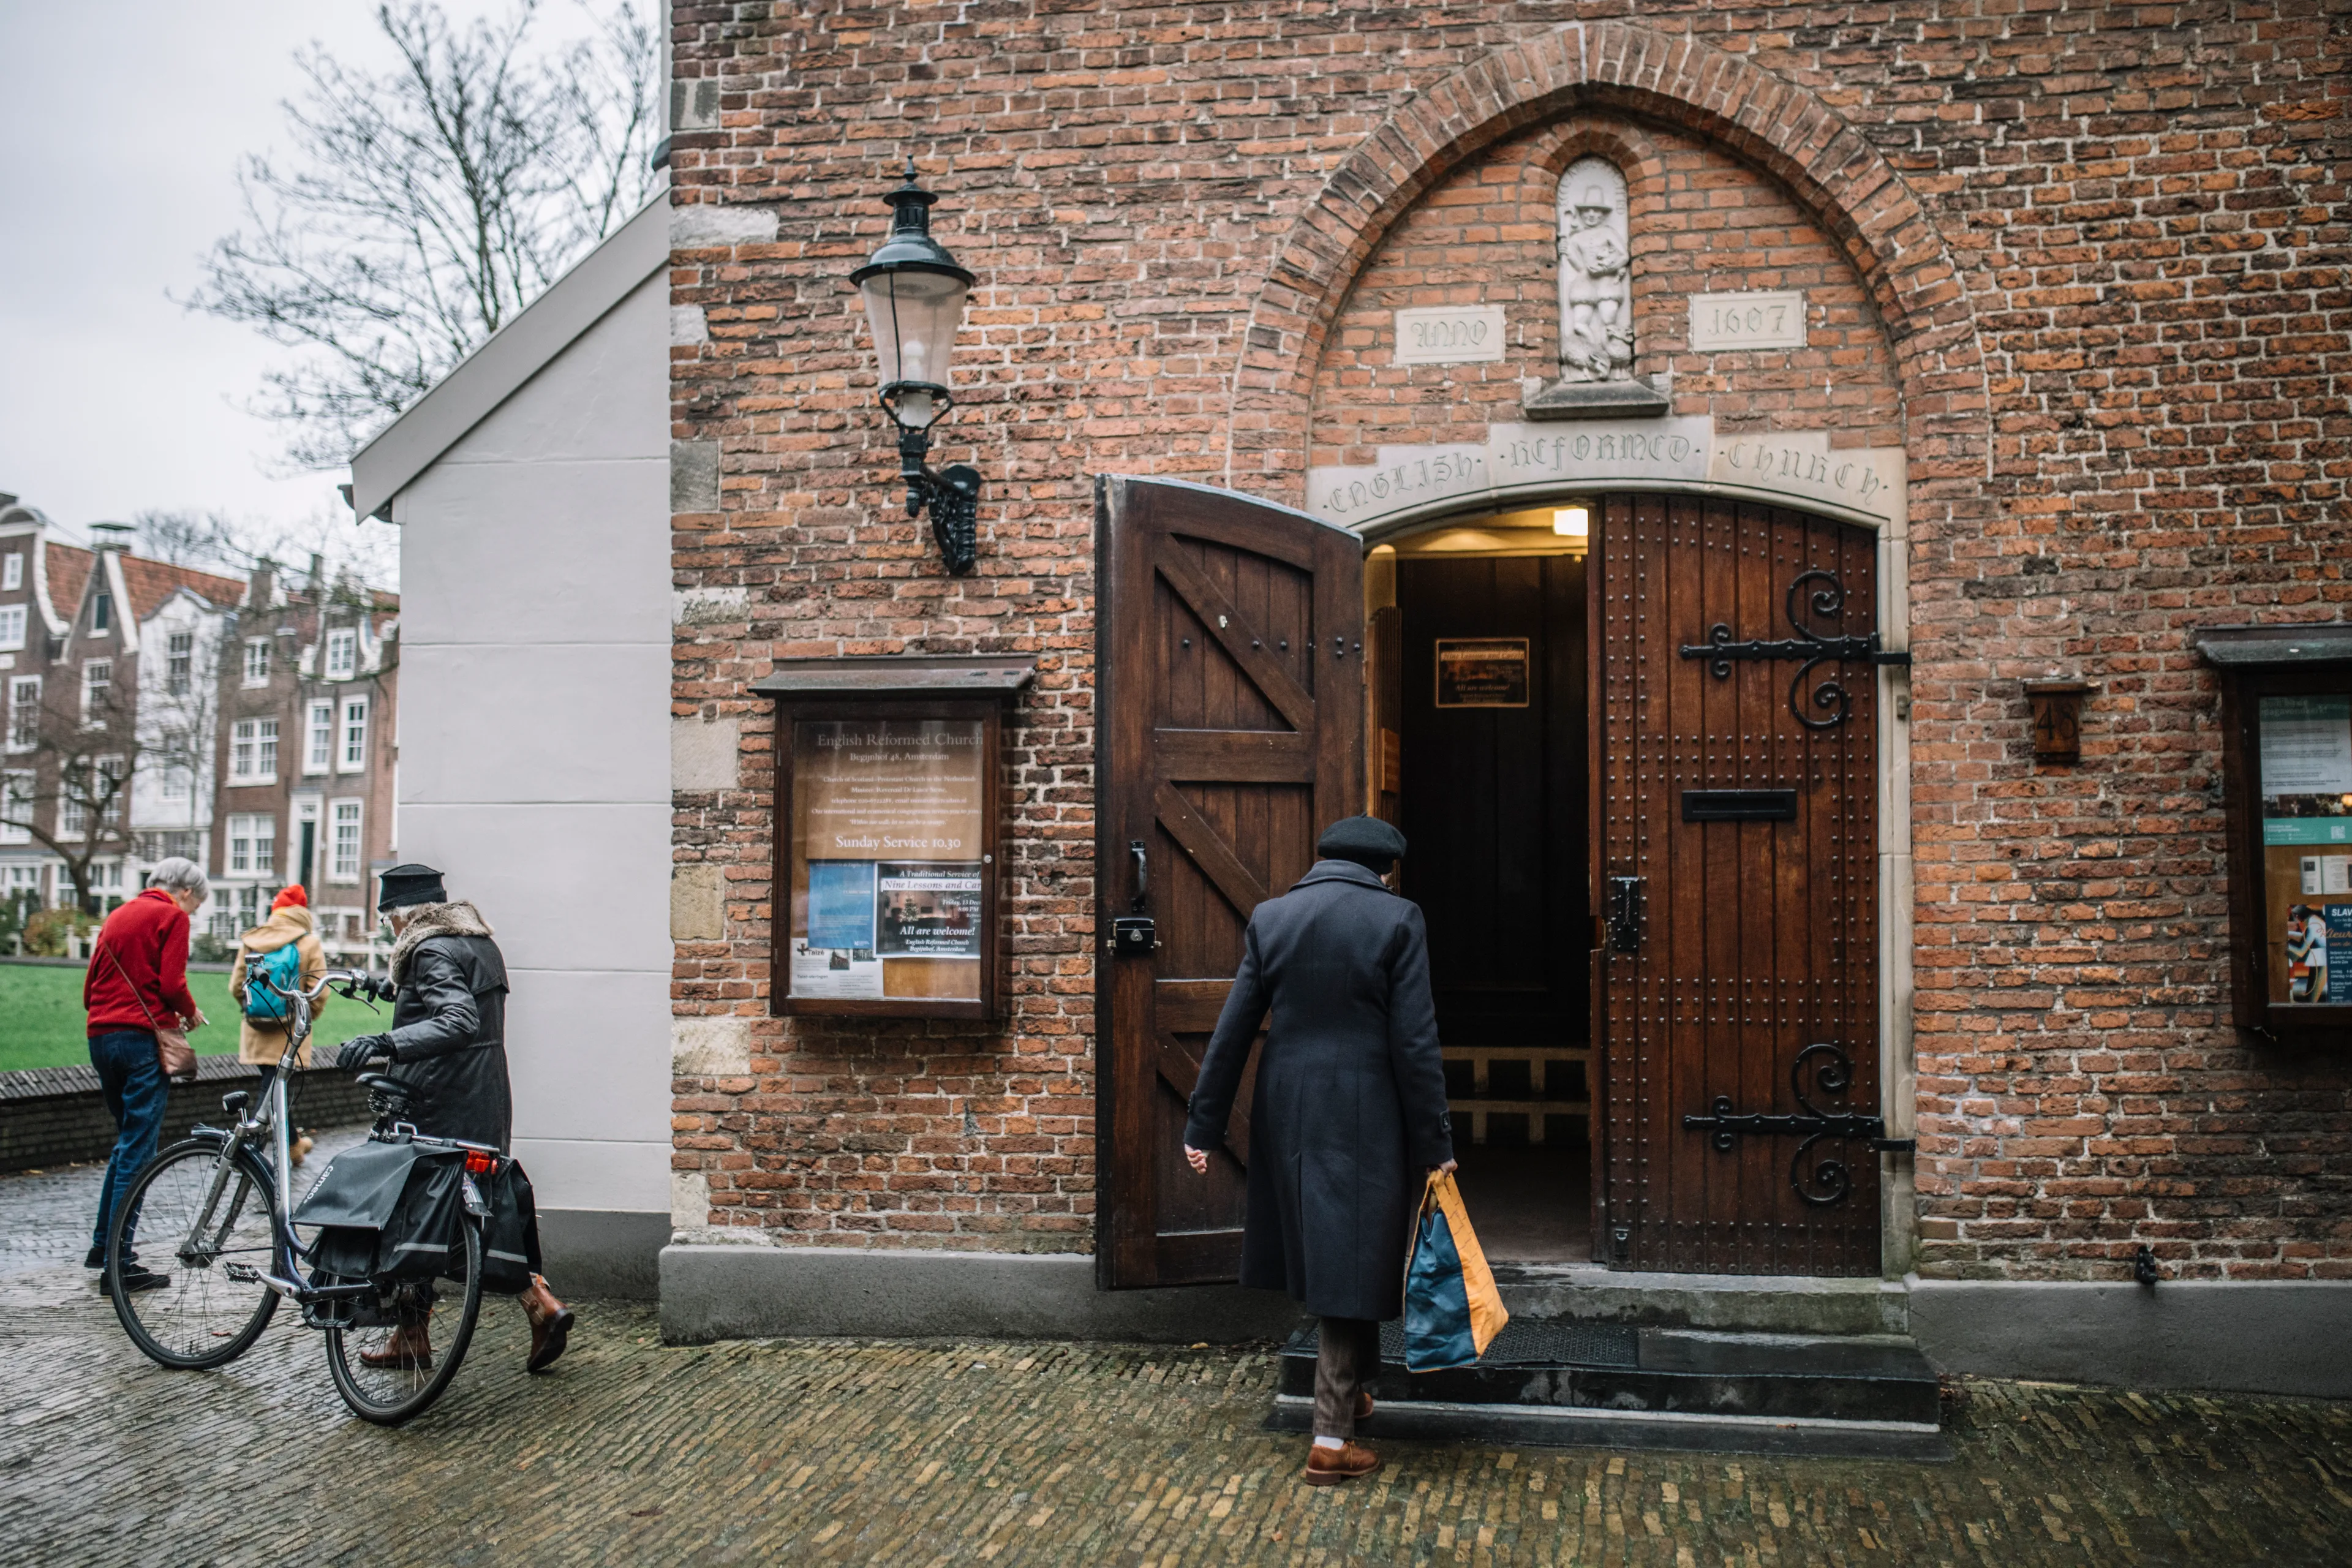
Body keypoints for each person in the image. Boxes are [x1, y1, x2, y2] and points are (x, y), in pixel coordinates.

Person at [1182, 816, 1453, 1486]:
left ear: (1326, 858)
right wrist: (1436, 1141)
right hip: (1367, 1106)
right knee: (1348, 1252)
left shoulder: (1273, 917)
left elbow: (1234, 1027)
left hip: (1289, 1105)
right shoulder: (1397, 919)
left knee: (1345, 1244)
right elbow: (1414, 1042)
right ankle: (1330, 1437)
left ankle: (1359, 1389)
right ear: (1383, 868)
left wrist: (1202, 1127)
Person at [332, 863, 575, 1373]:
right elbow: (451, 997)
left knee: (407, 1216)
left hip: (434, 1100)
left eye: (388, 922)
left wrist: (386, 1041)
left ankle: (413, 1334)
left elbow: (457, 1018)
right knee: (474, 1212)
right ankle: (539, 1304)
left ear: (403, 918)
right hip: (483, 1096)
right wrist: (390, 989)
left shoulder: (429, 948)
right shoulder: (476, 943)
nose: (390, 933)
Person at [83, 858, 211, 1295]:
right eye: (195, 907)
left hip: (100, 1037)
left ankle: (104, 1247)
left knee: (126, 1145)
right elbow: (172, 982)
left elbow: (89, 988)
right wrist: (190, 1012)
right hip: (140, 1040)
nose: (190, 915)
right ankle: (120, 1265)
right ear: (187, 892)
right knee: (138, 1150)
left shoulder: (118, 914)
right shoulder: (170, 915)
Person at [230, 884, 328, 1164]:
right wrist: (302, 1020)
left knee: (274, 1084)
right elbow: (318, 992)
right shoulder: (308, 943)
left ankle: (294, 1146)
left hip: (257, 1028)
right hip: (290, 1030)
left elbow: (237, 986)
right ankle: (248, 1153)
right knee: (274, 1089)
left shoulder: (253, 939)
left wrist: (252, 1009)